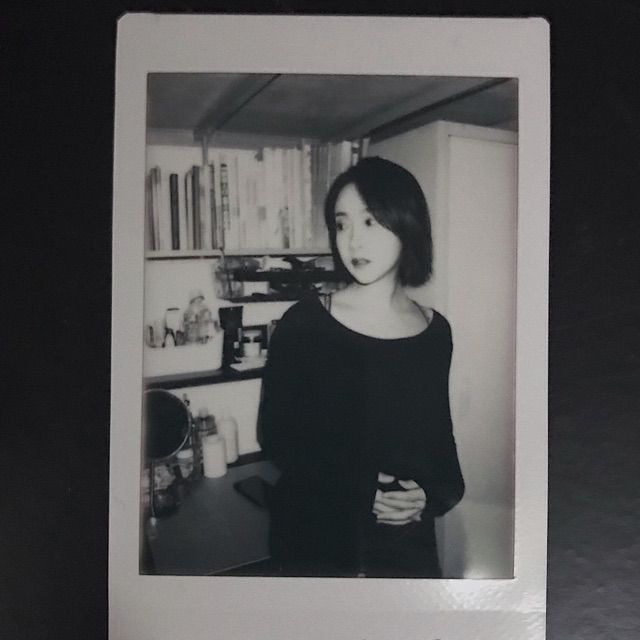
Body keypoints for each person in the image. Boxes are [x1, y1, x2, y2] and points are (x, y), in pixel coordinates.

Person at [258, 156, 464, 578]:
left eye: (369, 222)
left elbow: (438, 441)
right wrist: (360, 489)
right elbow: (279, 437)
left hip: (405, 545)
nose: (352, 241)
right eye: (342, 224)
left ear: (406, 223)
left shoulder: (435, 331)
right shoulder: (305, 323)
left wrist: (428, 496)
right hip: (318, 539)